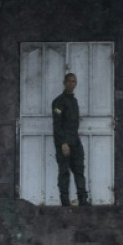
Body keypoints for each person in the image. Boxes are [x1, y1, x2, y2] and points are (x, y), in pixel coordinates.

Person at [51, 73, 89, 206]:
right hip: (64, 143)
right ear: (64, 82)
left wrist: (75, 141)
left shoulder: (74, 101)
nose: (71, 84)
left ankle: (83, 200)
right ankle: (65, 202)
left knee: (79, 170)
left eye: (74, 82)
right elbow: (57, 124)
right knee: (64, 172)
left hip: (75, 141)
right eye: (69, 81)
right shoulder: (59, 102)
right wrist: (63, 143)